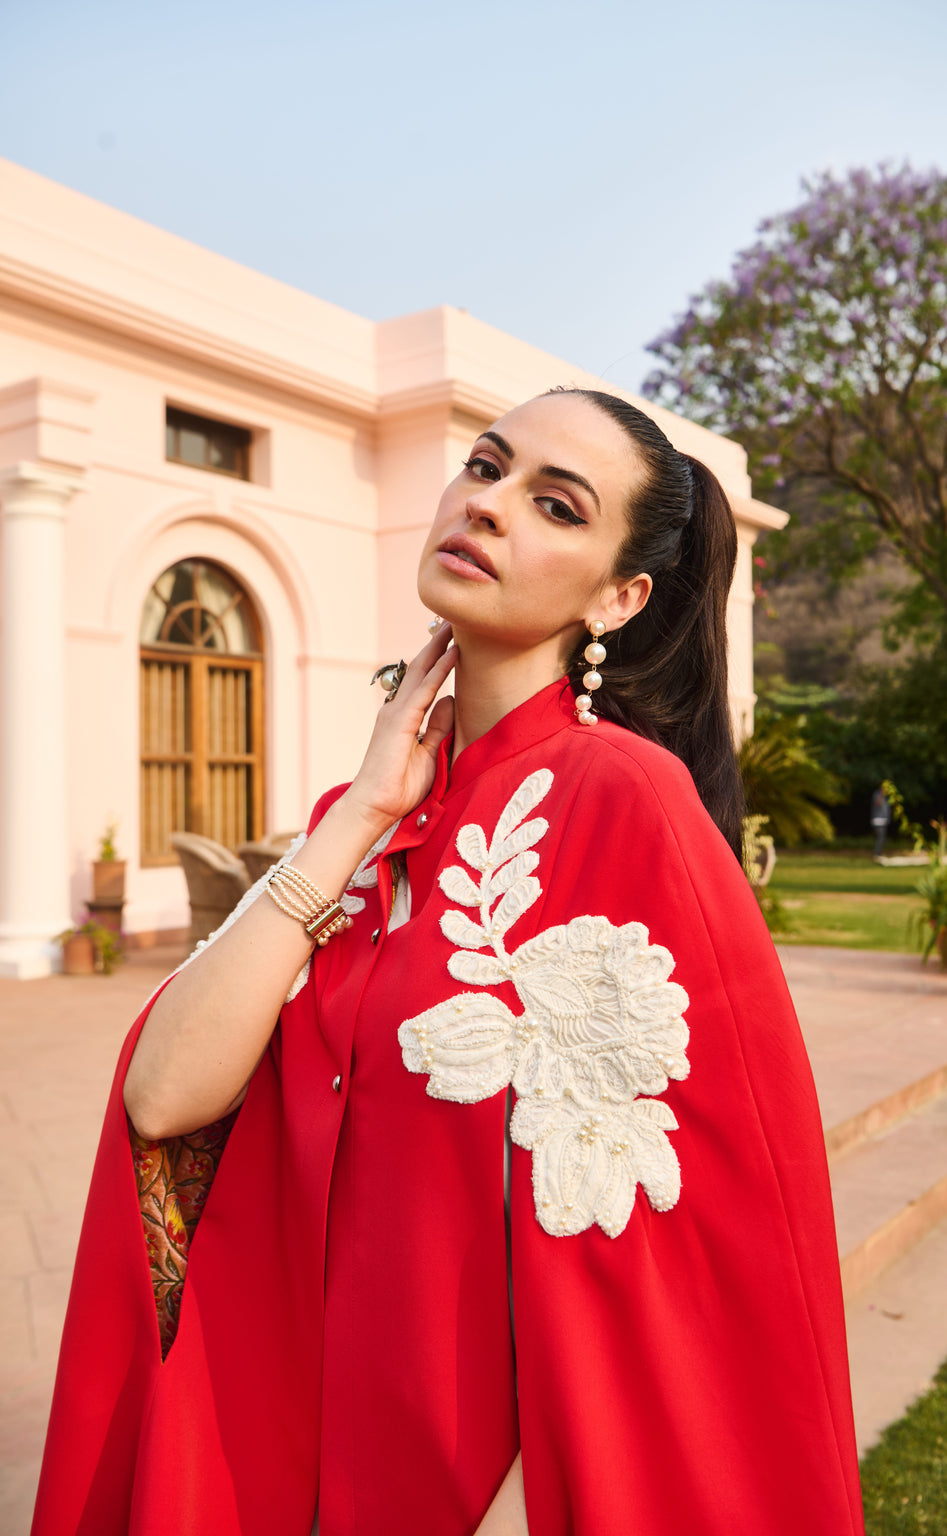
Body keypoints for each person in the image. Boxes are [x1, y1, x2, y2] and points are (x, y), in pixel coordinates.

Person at [33, 389, 865, 1536]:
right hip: (275, 1446)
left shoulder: (625, 803)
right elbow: (165, 1099)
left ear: (618, 597)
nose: (488, 505)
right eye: (484, 465)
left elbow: (667, 1245)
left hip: (476, 1489)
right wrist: (359, 813)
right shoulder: (362, 817)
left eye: (556, 505)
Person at [871, 784, 892, 858]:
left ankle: (878, 853)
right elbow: (878, 803)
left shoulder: (886, 797)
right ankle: (876, 854)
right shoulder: (877, 794)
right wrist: (882, 794)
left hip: (883, 821)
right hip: (878, 821)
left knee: (882, 838)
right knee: (880, 837)